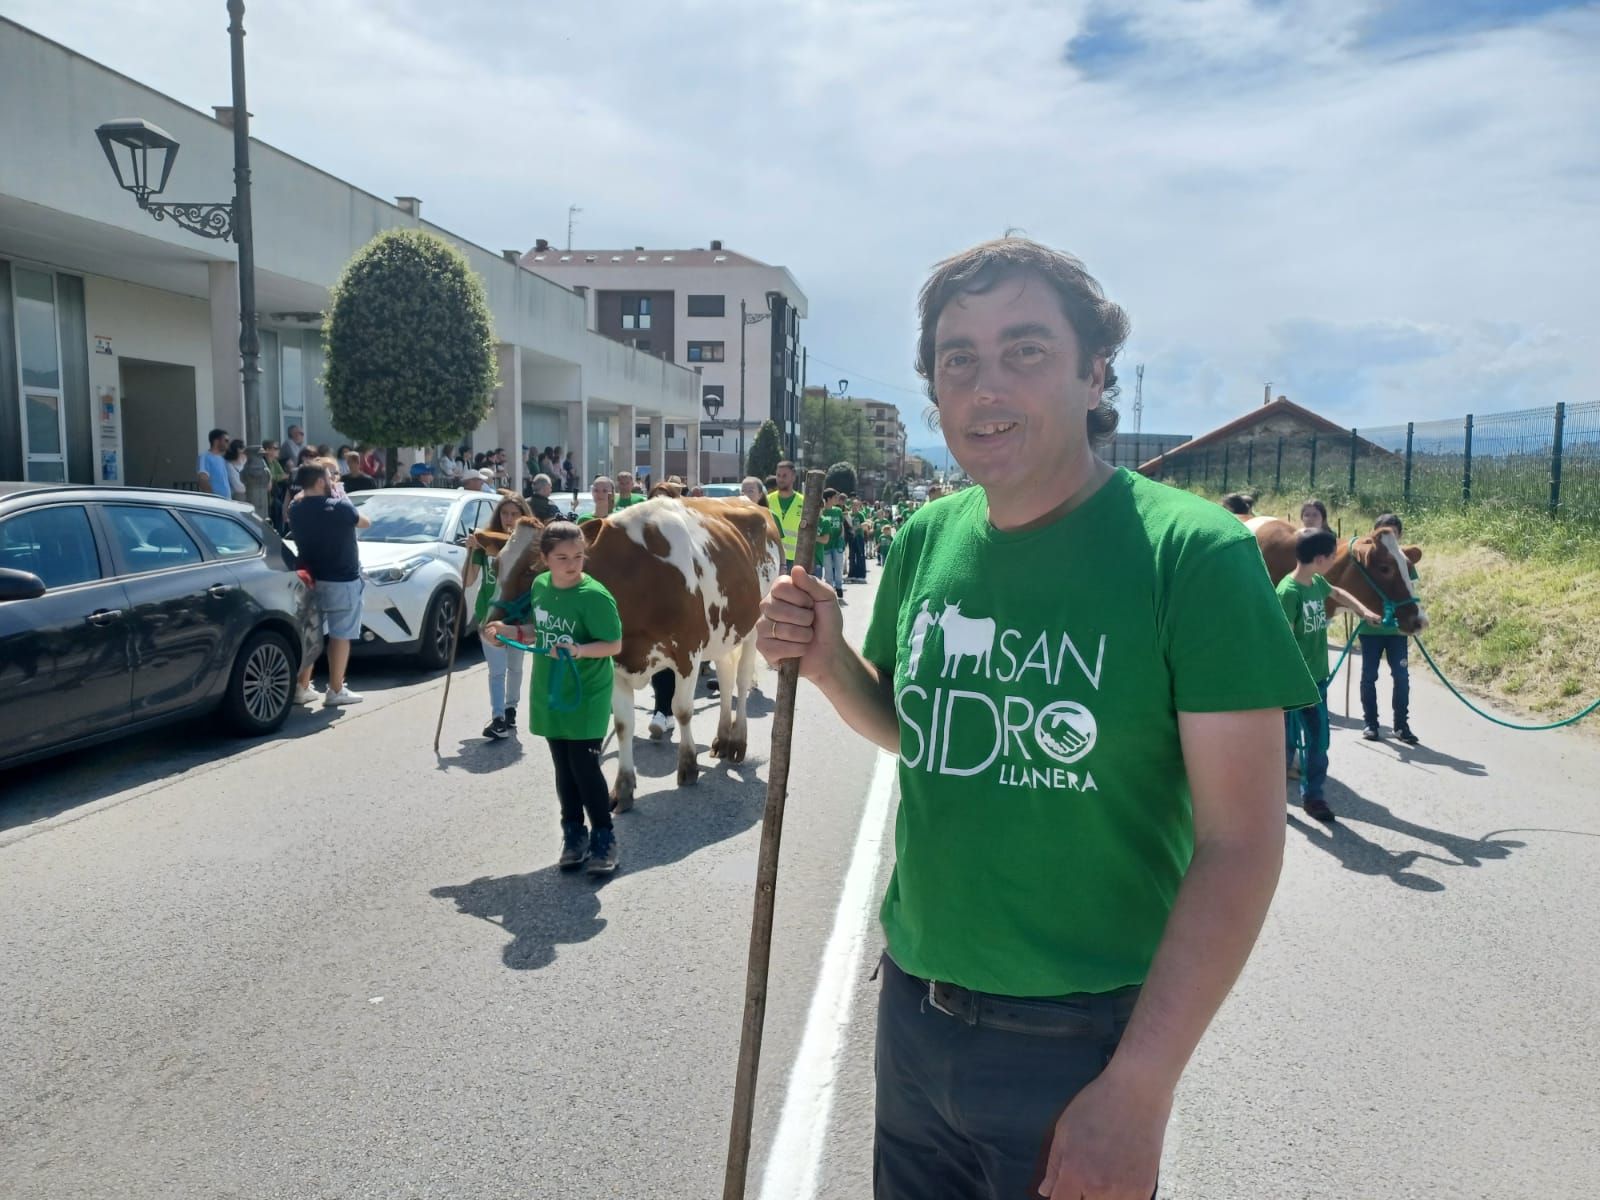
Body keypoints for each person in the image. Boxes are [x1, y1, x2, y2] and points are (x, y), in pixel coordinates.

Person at [757, 236, 1319, 1200]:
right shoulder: (932, 535)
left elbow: (1241, 843)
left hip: (1079, 1043)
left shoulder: (1193, 555)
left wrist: (1139, 1087)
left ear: (1095, 372)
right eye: (957, 358)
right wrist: (826, 661)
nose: (984, 386)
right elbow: (916, 729)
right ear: (933, 385)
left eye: (1025, 350)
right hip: (914, 1015)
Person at [482, 521, 624, 876]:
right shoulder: (541, 587)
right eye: (562, 557)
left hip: (586, 693)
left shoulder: (595, 596)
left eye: (578, 556)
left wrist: (578, 650)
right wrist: (509, 632)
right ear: (544, 559)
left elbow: (614, 644)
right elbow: (540, 630)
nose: (572, 563)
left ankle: (604, 837)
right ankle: (573, 834)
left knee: (585, 766)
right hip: (550, 689)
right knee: (563, 766)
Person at [1276, 527, 1383, 822]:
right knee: (1284, 744)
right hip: (1294, 685)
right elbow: (1279, 640)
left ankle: (1314, 797)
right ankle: (1275, 801)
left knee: (1318, 740)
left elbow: (1338, 593)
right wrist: (1296, 683)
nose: (1332, 563)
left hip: (1317, 680)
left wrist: (1363, 612)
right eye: (1331, 558)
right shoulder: (1289, 592)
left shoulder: (1316, 582)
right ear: (1320, 558)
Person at [288, 463, 371, 708]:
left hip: (309, 578)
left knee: (311, 634)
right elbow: (365, 522)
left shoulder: (295, 507)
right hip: (341, 578)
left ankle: (301, 687)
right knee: (340, 635)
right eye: (329, 477)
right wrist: (341, 496)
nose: (333, 480)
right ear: (321, 482)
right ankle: (335, 690)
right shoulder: (340, 506)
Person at [467, 492, 533, 739]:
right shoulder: (485, 544)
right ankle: (498, 717)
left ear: (523, 516)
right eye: (504, 514)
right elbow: (470, 579)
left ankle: (510, 708)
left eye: (514, 514)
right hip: (489, 614)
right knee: (497, 670)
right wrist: (470, 551)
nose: (509, 519)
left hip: (519, 615)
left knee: (515, 666)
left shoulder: (530, 546)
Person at [1357, 512, 1419, 745]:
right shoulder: (1367, 561)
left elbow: (1411, 595)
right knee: (1368, 676)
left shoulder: (1406, 564)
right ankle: (1370, 724)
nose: (1389, 537)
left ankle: (1401, 726)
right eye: (1383, 532)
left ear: (1400, 535)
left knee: (1401, 677)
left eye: (1393, 533)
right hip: (1370, 629)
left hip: (1397, 631)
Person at [767, 461, 803, 570]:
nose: (781, 479)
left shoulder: (804, 502)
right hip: (771, 557)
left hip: (796, 559)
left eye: (784, 475)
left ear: (793, 477)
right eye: (778, 475)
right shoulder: (767, 500)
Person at [815, 488, 846, 599]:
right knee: (828, 569)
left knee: (838, 566)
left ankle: (839, 586)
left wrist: (841, 538)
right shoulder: (822, 512)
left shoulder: (838, 511)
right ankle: (829, 589)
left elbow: (841, 526)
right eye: (835, 497)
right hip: (826, 546)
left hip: (837, 544)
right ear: (828, 499)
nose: (837, 499)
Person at [197, 428, 231, 498]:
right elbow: (203, 480)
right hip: (216, 503)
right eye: (226, 441)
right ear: (216, 441)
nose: (228, 443)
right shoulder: (205, 457)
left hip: (226, 502)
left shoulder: (221, 459)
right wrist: (214, 499)